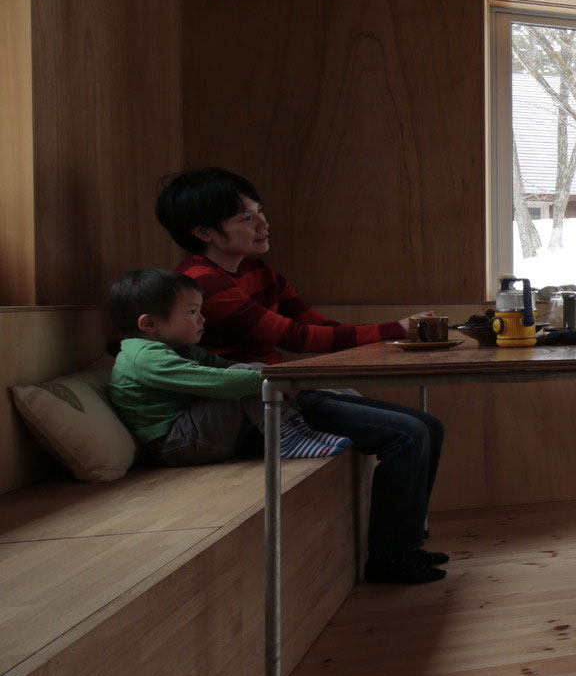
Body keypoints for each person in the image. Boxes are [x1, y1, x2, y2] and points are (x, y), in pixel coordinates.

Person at [155, 167, 448, 585]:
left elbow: (320, 326)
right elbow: (294, 336)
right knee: (407, 434)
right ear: (203, 231)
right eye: (246, 219)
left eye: (260, 212)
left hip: (282, 389)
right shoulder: (199, 282)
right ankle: (389, 557)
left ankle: (406, 544)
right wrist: (396, 329)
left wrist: (399, 334)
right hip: (249, 406)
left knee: (428, 427)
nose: (263, 224)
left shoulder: (261, 272)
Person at [104, 268, 348, 467]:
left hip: (193, 435)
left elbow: (224, 366)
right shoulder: (143, 357)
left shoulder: (177, 347)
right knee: (242, 377)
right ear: (149, 323)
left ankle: (295, 430)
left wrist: (269, 374)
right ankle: (286, 439)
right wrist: (277, 379)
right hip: (176, 446)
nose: (202, 319)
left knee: (249, 369)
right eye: (192, 312)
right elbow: (217, 382)